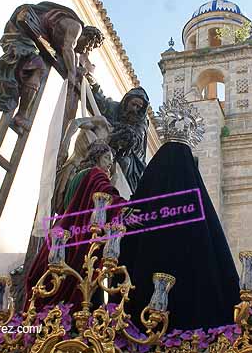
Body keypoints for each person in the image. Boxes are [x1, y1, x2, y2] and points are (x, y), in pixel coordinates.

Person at [117, 98, 240, 331]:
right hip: (196, 323)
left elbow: (132, 214)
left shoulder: (154, 178)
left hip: (137, 314)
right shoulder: (200, 207)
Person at [24, 141, 123, 309]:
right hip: (80, 236)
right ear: (96, 156)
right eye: (107, 158)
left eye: (111, 160)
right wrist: (125, 208)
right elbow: (105, 194)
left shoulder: (78, 175)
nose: (109, 164)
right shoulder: (95, 174)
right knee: (78, 288)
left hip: (61, 235)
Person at [0, 1, 104, 133]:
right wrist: (72, 75)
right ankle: (20, 114)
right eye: (88, 45)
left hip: (33, 37)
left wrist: (77, 70)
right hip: (22, 28)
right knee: (33, 68)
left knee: (29, 75)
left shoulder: (64, 40)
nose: (85, 50)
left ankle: (3, 101)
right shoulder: (76, 27)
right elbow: (69, 48)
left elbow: (70, 57)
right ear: (85, 35)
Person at [88, 83, 150, 193]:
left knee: (124, 162)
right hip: (106, 144)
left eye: (138, 107)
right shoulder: (113, 107)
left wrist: (125, 137)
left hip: (126, 153)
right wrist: (94, 85)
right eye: (133, 104)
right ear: (127, 101)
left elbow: (137, 137)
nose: (135, 109)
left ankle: (113, 191)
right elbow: (101, 102)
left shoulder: (140, 121)